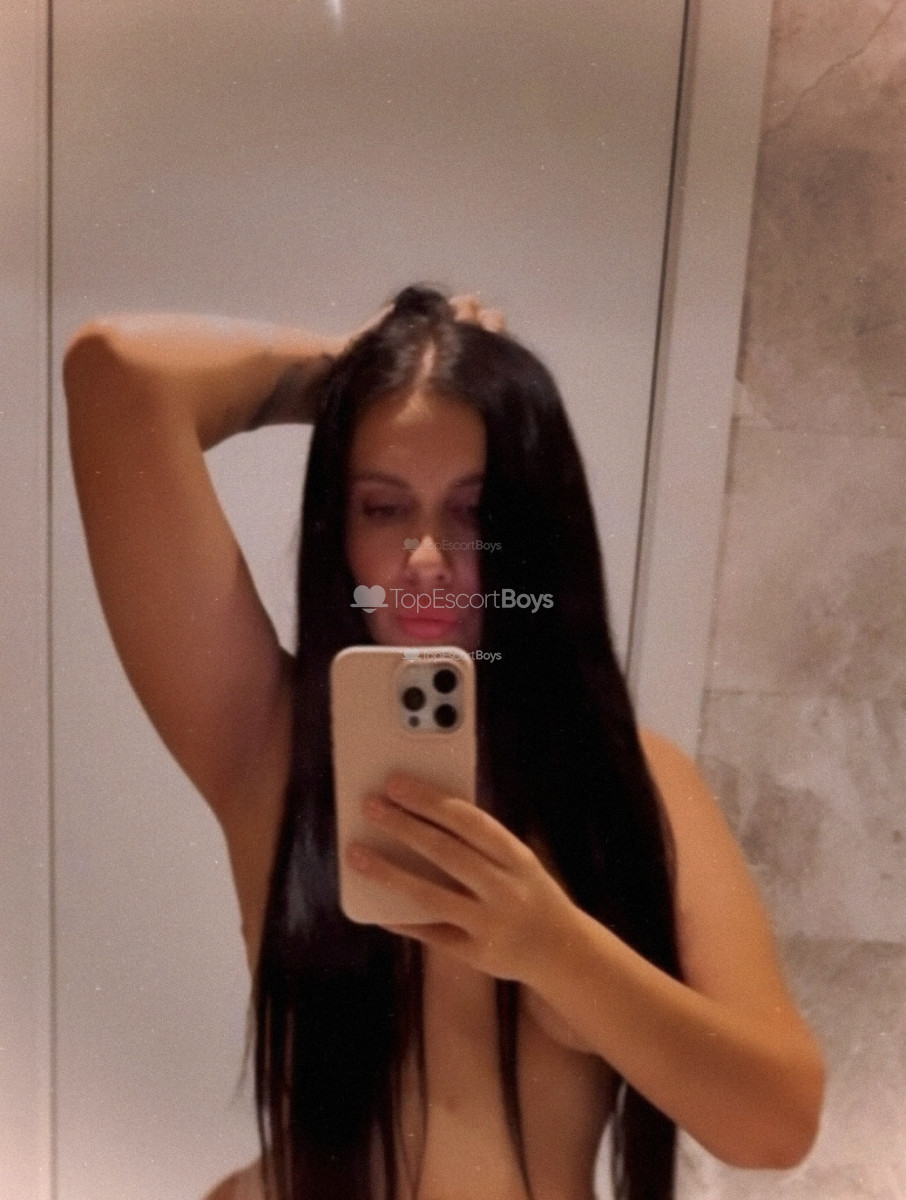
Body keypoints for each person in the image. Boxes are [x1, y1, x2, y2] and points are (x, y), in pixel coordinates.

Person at [63, 286, 825, 1200]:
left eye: (474, 512)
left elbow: (777, 1122)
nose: (425, 559)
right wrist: (347, 371)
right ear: (341, 532)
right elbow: (117, 374)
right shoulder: (271, 741)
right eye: (383, 508)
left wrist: (551, 947)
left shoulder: (635, 782)